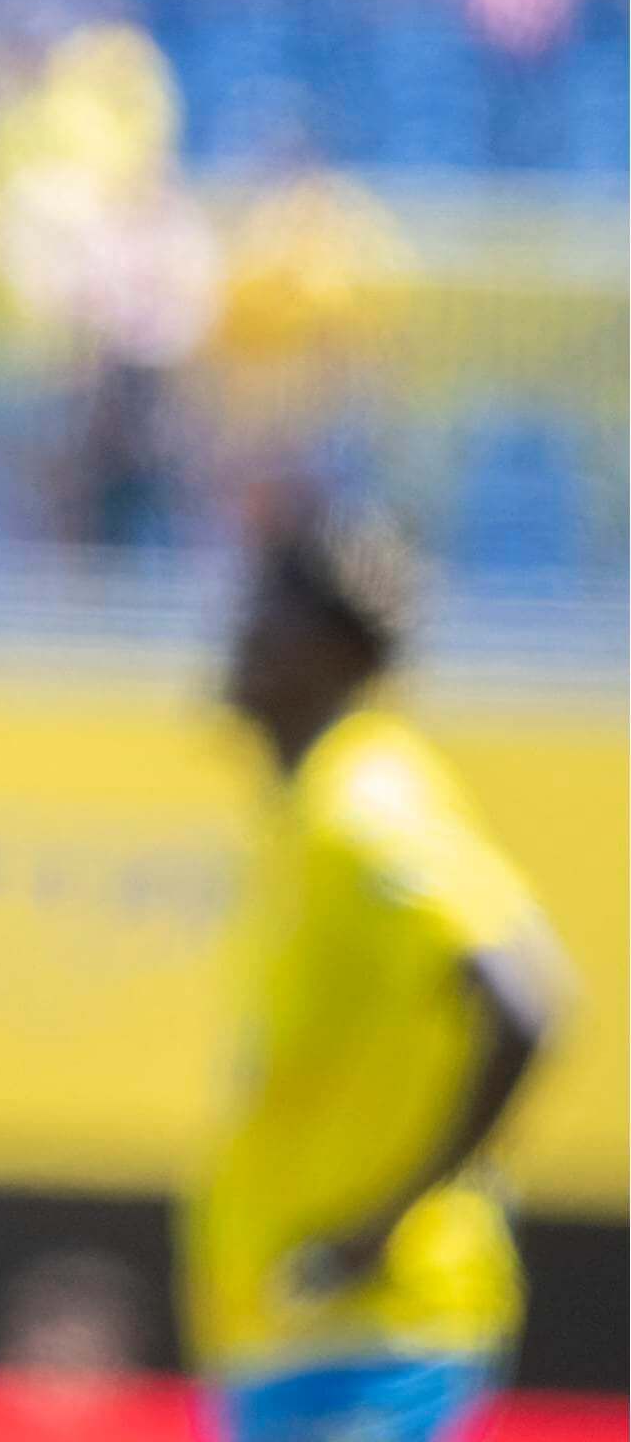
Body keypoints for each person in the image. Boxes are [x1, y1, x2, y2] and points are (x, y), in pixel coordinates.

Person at [185, 507, 566, 1442]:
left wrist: (383, 1225)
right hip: (300, 1345)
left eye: (263, 609)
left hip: (372, 1347)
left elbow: (525, 1001)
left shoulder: (364, 804)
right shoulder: (315, 809)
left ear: (328, 645)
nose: (234, 634)